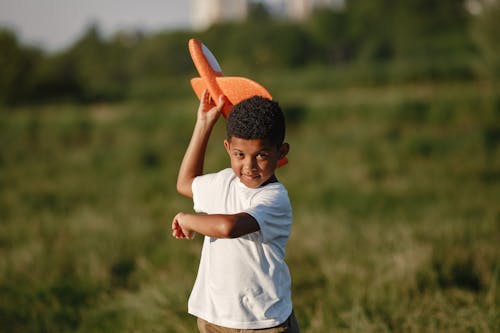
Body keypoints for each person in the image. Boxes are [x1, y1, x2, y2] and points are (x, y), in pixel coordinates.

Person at [172, 89, 300, 333]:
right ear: (228, 148)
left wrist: (187, 219)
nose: (249, 166)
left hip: (265, 323)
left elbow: (228, 228)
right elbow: (185, 183)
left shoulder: (274, 198)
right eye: (239, 155)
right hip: (215, 319)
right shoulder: (224, 181)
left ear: (281, 153)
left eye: (261, 155)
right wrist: (203, 125)